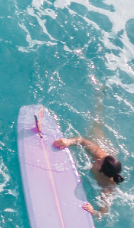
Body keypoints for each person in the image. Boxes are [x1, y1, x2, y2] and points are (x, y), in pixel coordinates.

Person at [52, 85, 125, 217]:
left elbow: (103, 213)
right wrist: (69, 141)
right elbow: (82, 141)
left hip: (106, 169)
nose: (96, 160)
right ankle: (100, 95)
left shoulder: (108, 187)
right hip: (99, 142)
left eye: (99, 163)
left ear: (103, 172)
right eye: (100, 159)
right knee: (96, 121)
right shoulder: (100, 154)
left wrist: (94, 211)